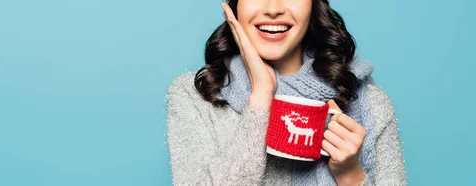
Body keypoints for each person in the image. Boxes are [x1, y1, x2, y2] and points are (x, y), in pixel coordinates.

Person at [165, 0, 407, 185]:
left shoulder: (369, 103)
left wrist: (349, 174)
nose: (273, 9)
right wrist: (261, 99)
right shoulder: (193, 96)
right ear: (234, 5)